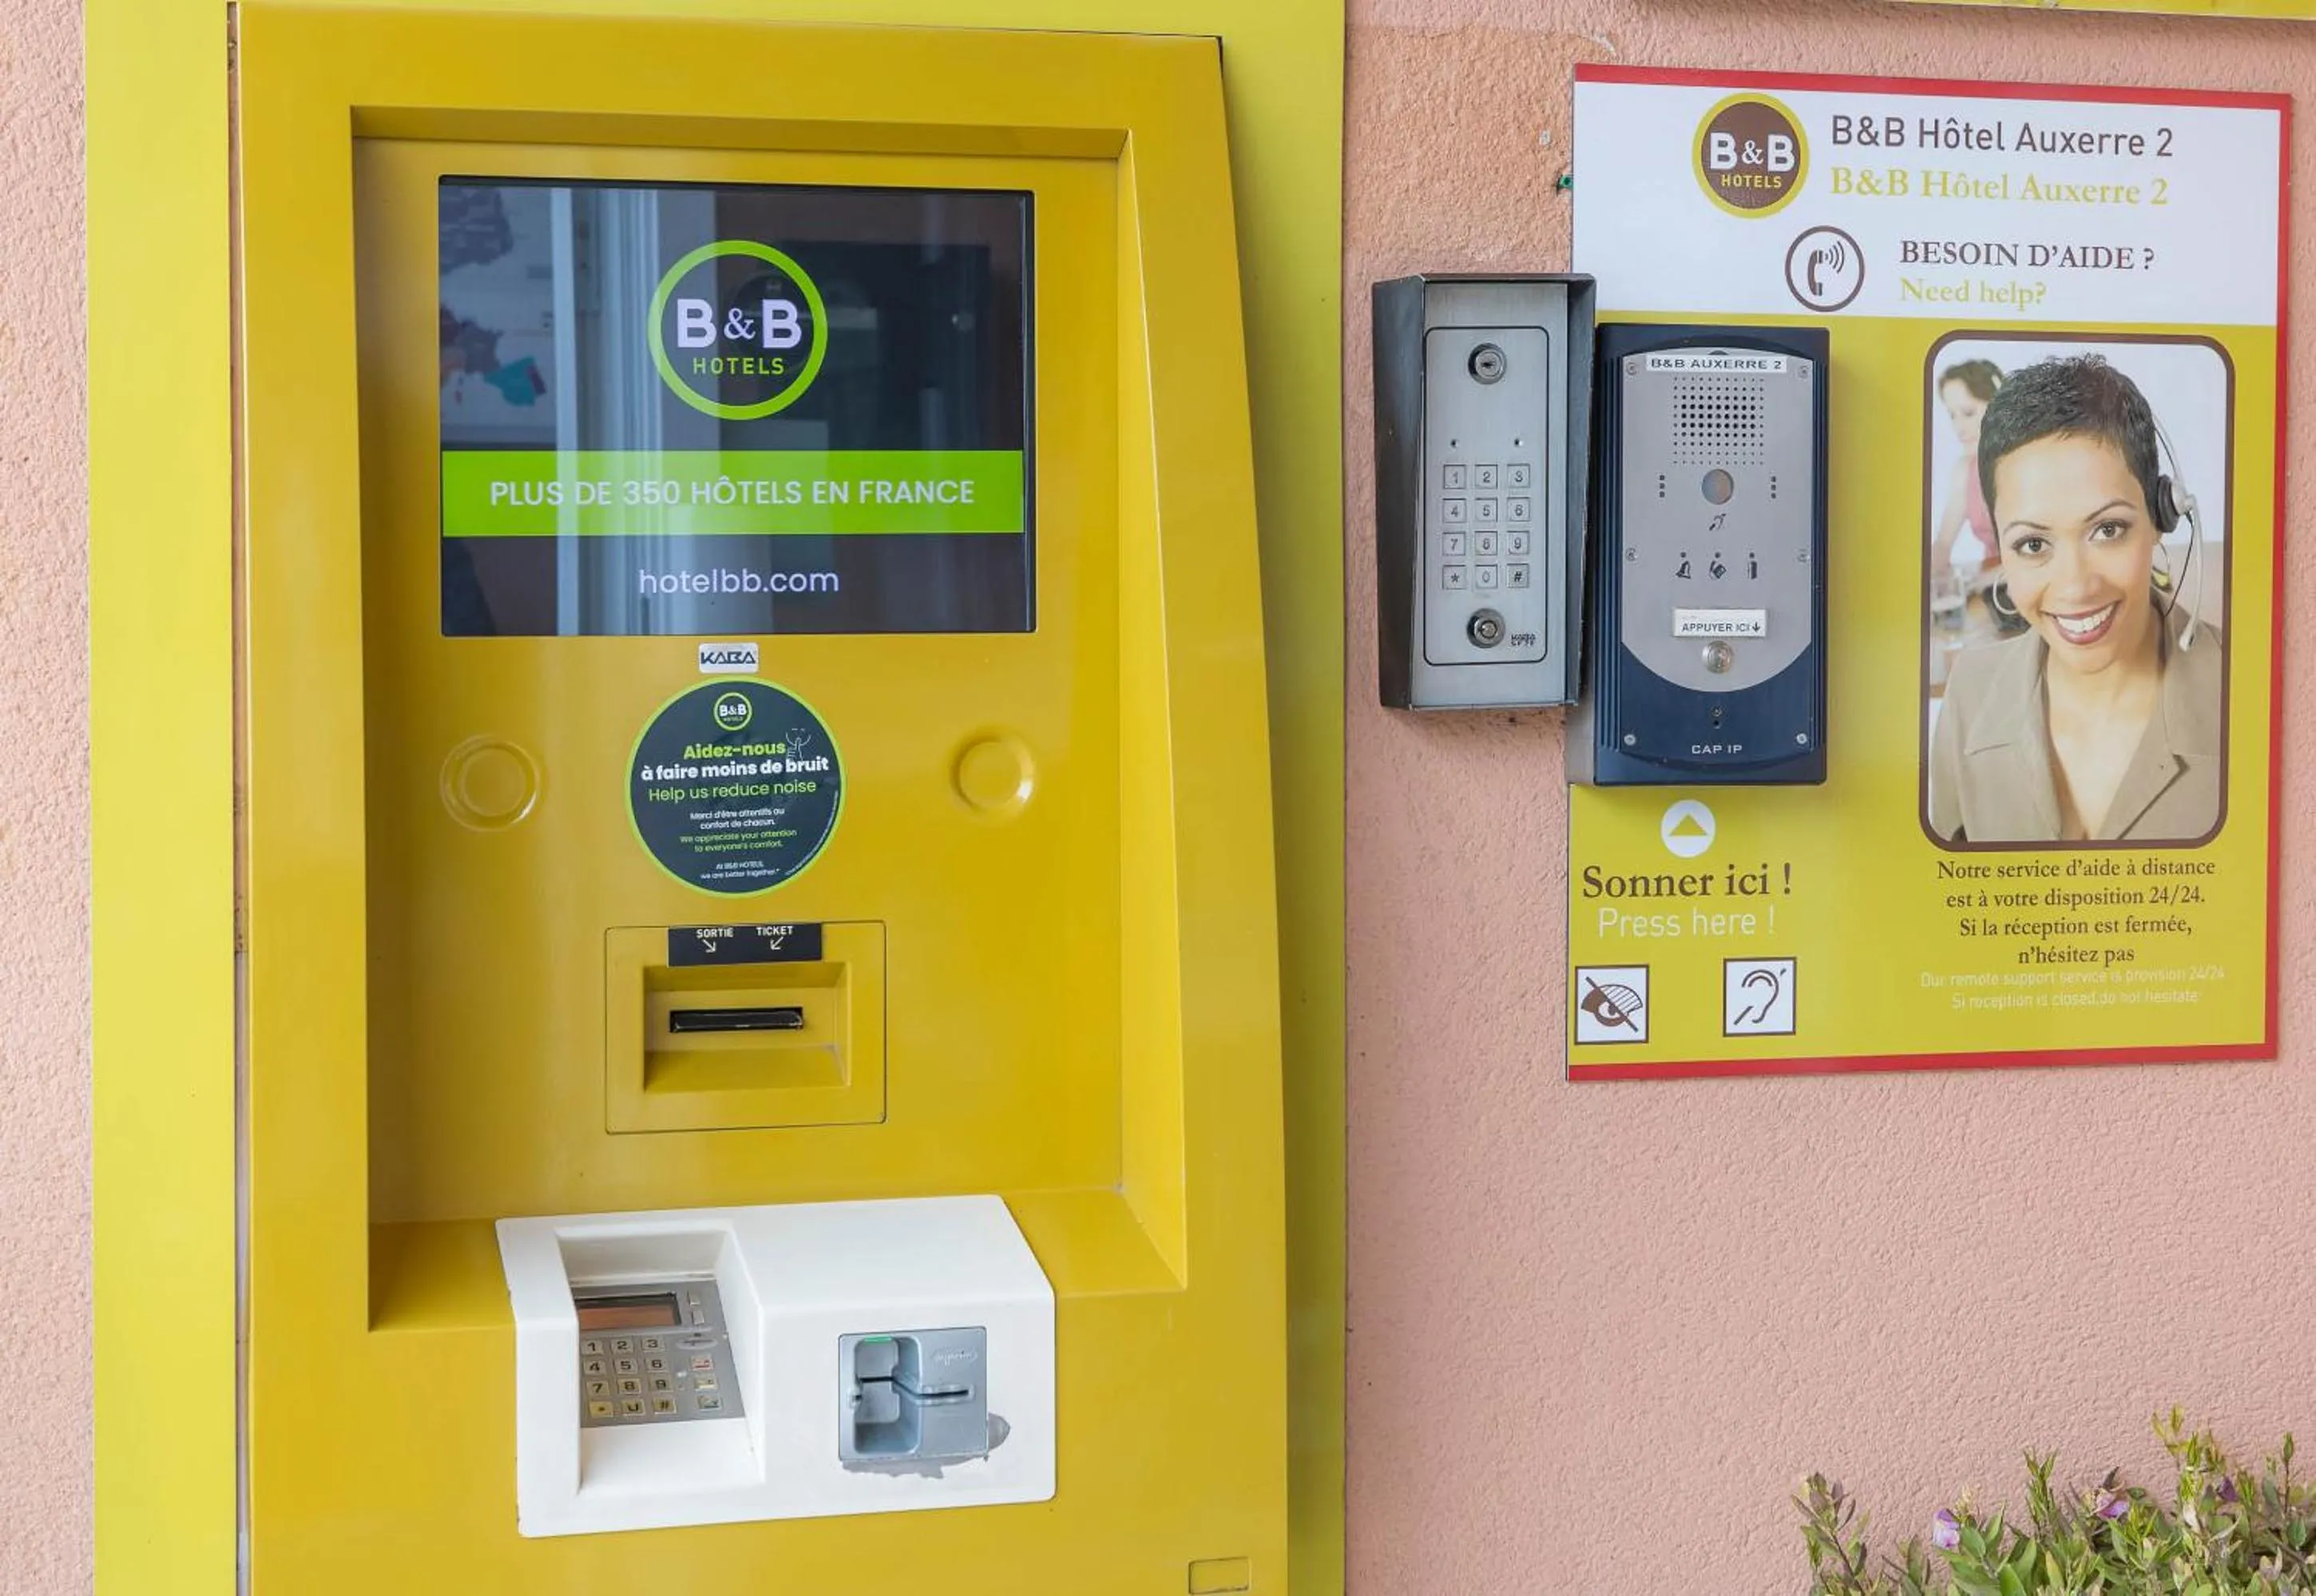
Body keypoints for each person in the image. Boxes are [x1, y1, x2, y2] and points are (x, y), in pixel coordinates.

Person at [1928, 355, 2223, 845]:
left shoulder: (2251, 695)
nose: (2075, 587)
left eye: (2108, 530)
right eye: (2033, 544)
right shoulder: (1971, 691)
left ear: (2161, 517)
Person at [1930, 358, 2003, 574]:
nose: (1958, 427)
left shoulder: (2030, 464)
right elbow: (1943, 543)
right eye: (1952, 415)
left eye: (1968, 413)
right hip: (1990, 584)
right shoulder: (1965, 472)